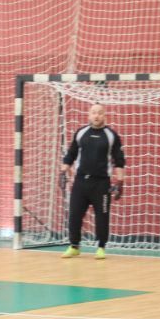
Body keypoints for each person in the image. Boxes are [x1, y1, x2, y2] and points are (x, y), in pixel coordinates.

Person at [59, 103, 126, 259]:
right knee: (74, 215)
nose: (96, 115)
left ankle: (101, 247)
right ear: (89, 115)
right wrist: (63, 171)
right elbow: (70, 155)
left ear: (104, 116)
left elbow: (119, 160)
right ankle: (74, 246)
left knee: (102, 217)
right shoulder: (81, 133)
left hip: (101, 184)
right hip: (81, 182)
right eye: (94, 112)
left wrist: (120, 182)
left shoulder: (111, 136)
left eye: (100, 113)